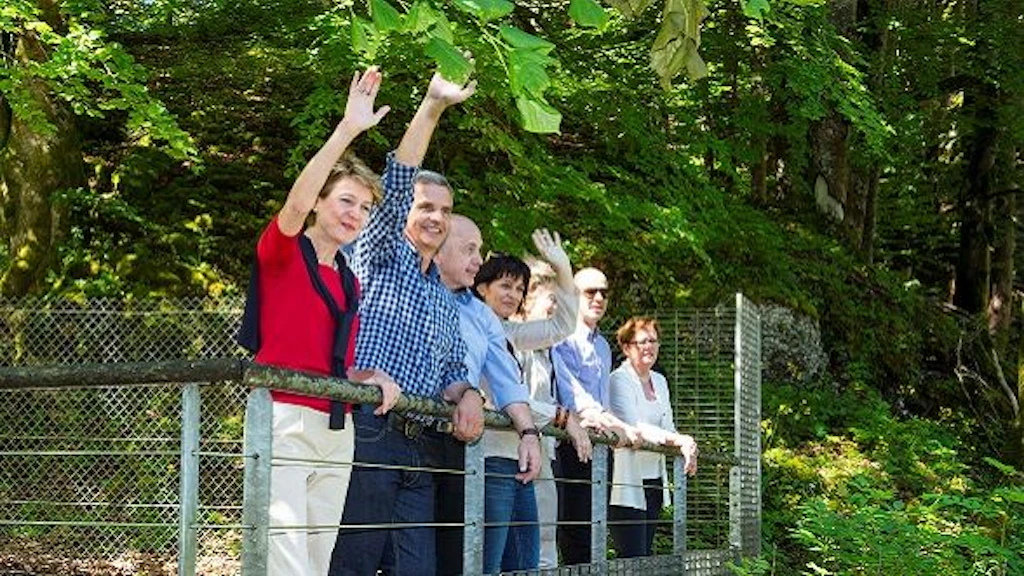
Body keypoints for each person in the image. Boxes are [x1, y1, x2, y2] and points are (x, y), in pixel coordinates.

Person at [237, 67, 399, 576]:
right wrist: (348, 130)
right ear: (320, 205)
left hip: (336, 426)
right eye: (345, 200)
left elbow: (333, 364)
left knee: (314, 560)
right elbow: (293, 202)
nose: (355, 214)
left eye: (365, 207)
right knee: (284, 562)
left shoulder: (348, 280)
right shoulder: (284, 252)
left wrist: (369, 380)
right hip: (283, 420)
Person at [328, 69, 481, 576]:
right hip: (369, 432)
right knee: (353, 562)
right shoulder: (376, 253)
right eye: (425, 207)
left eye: (445, 210)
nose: (436, 218)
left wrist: (471, 395)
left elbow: (454, 369)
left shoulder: (442, 294)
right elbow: (395, 180)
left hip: (422, 444)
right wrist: (434, 104)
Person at [471, 229, 593, 573]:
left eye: (520, 289)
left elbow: (561, 327)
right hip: (490, 457)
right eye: (505, 286)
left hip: (519, 459)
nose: (514, 295)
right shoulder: (473, 328)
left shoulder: (509, 333)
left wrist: (563, 269)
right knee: (490, 561)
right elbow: (494, 398)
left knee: (523, 561)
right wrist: (557, 414)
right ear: (482, 288)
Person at [433, 215, 548, 574]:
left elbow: (506, 379)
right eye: (470, 250)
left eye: (479, 251)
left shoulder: (480, 316)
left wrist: (529, 432)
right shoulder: (413, 293)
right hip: (412, 438)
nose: (478, 260)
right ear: (438, 249)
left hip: (465, 448)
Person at [551, 267, 640, 566]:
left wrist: (611, 421)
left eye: (604, 292)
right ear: (573, 294)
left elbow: (600, 400)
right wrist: (606, 419)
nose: (599, 298)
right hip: (568, 441)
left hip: (600, 447)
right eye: (591, 292)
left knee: (594, 531)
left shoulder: (602, 345)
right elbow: (569, 391)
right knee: (572, 531)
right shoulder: (559, 336)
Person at [608, 317, 698, 558]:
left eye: (653, 341)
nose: (649, 346)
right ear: (627, 347)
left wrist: (687, 444)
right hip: (626, 481)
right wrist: (678, 440)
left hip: (654, 480)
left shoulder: (660, 381)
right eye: (642, 341)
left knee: (645, 556)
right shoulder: (618, 379)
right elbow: (636, 426)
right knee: (632, 558)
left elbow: (668, 426)